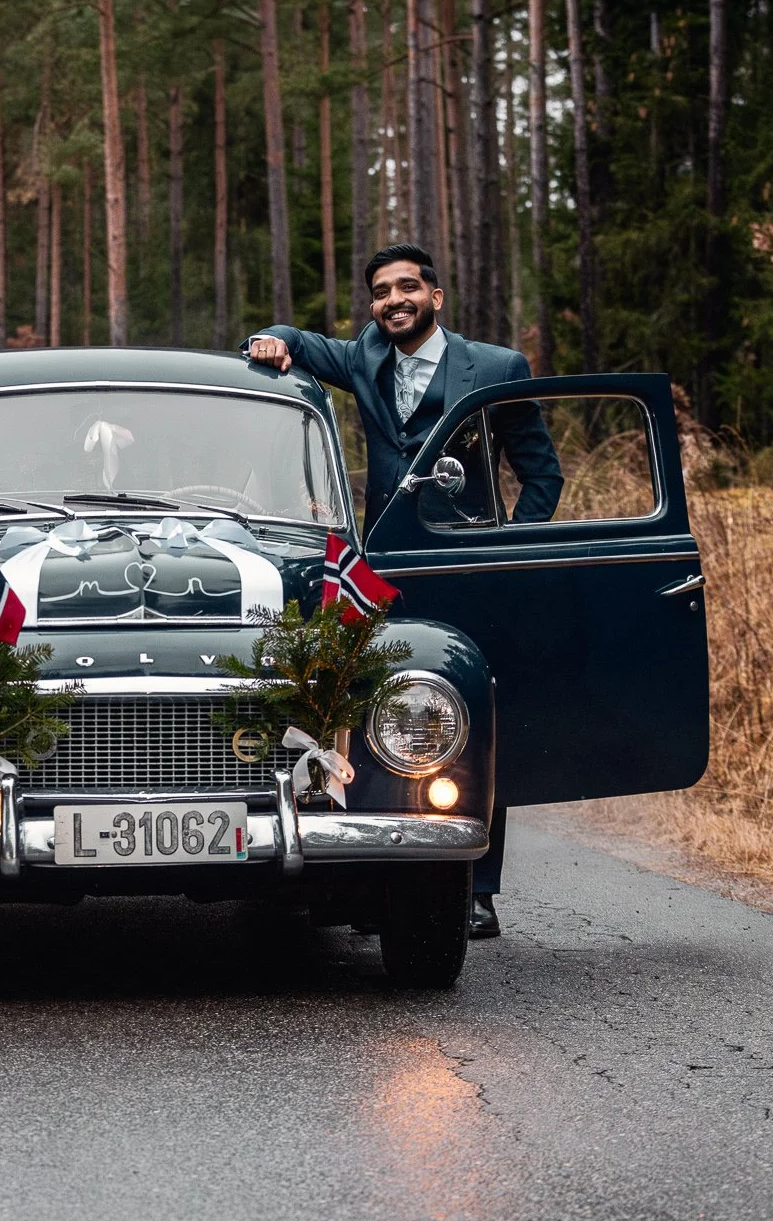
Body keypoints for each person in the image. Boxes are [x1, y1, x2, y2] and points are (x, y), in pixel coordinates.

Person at [240, 242, 561, 940]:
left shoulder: (497, 369)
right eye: (382, 292)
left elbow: (544, 477)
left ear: (435, 297)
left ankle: (475, 887)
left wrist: (511, 547)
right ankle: (364, 874)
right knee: (368, 713)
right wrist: (267, 342)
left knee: (472, 724)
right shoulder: (363, 360)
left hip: (468, 571)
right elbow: (296, 342)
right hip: (382, 573)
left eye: (407, 288)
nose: (394, 301)